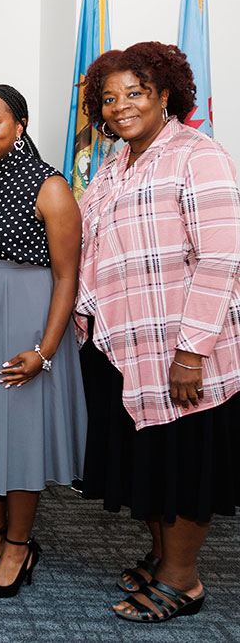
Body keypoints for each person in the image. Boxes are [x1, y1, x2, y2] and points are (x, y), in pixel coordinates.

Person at [76, 42, 240, 623]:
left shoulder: (199, 155)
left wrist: (192, 352)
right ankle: (162, 554)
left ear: (165, 94)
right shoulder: (113, 163)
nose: (120, 106)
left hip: (181, 348)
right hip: (124, 346)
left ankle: (183, 579)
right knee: (150, 461)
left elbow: (220, 261)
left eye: (135, 93)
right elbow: (96, 247)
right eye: (109, 97)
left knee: (184, 462)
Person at [0, 84, 87, 599]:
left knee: (22, 439)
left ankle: (18, 546)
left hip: (31, 323)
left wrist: (45, 350)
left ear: (19, 126)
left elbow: (67, 277)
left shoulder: (49, 186)